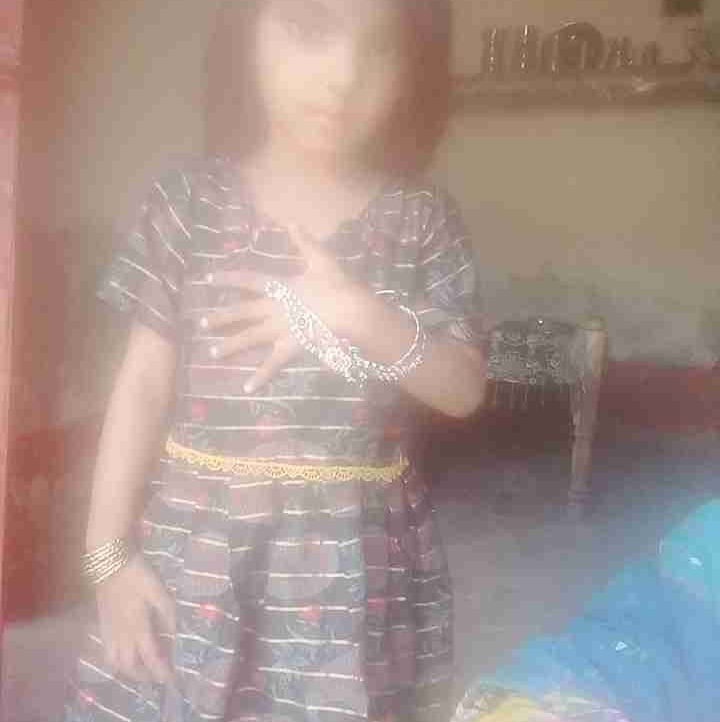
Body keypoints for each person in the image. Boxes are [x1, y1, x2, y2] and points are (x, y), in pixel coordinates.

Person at [64, 1, 486, 720]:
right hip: (198, 550)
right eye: (310, 30)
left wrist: (357, 312)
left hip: (358, 567)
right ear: (245, 33)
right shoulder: (187, 202)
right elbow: (141, 386)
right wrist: (107, 558)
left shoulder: (423, 220)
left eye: (380, 47)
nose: (344, 74)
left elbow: (464, 390)